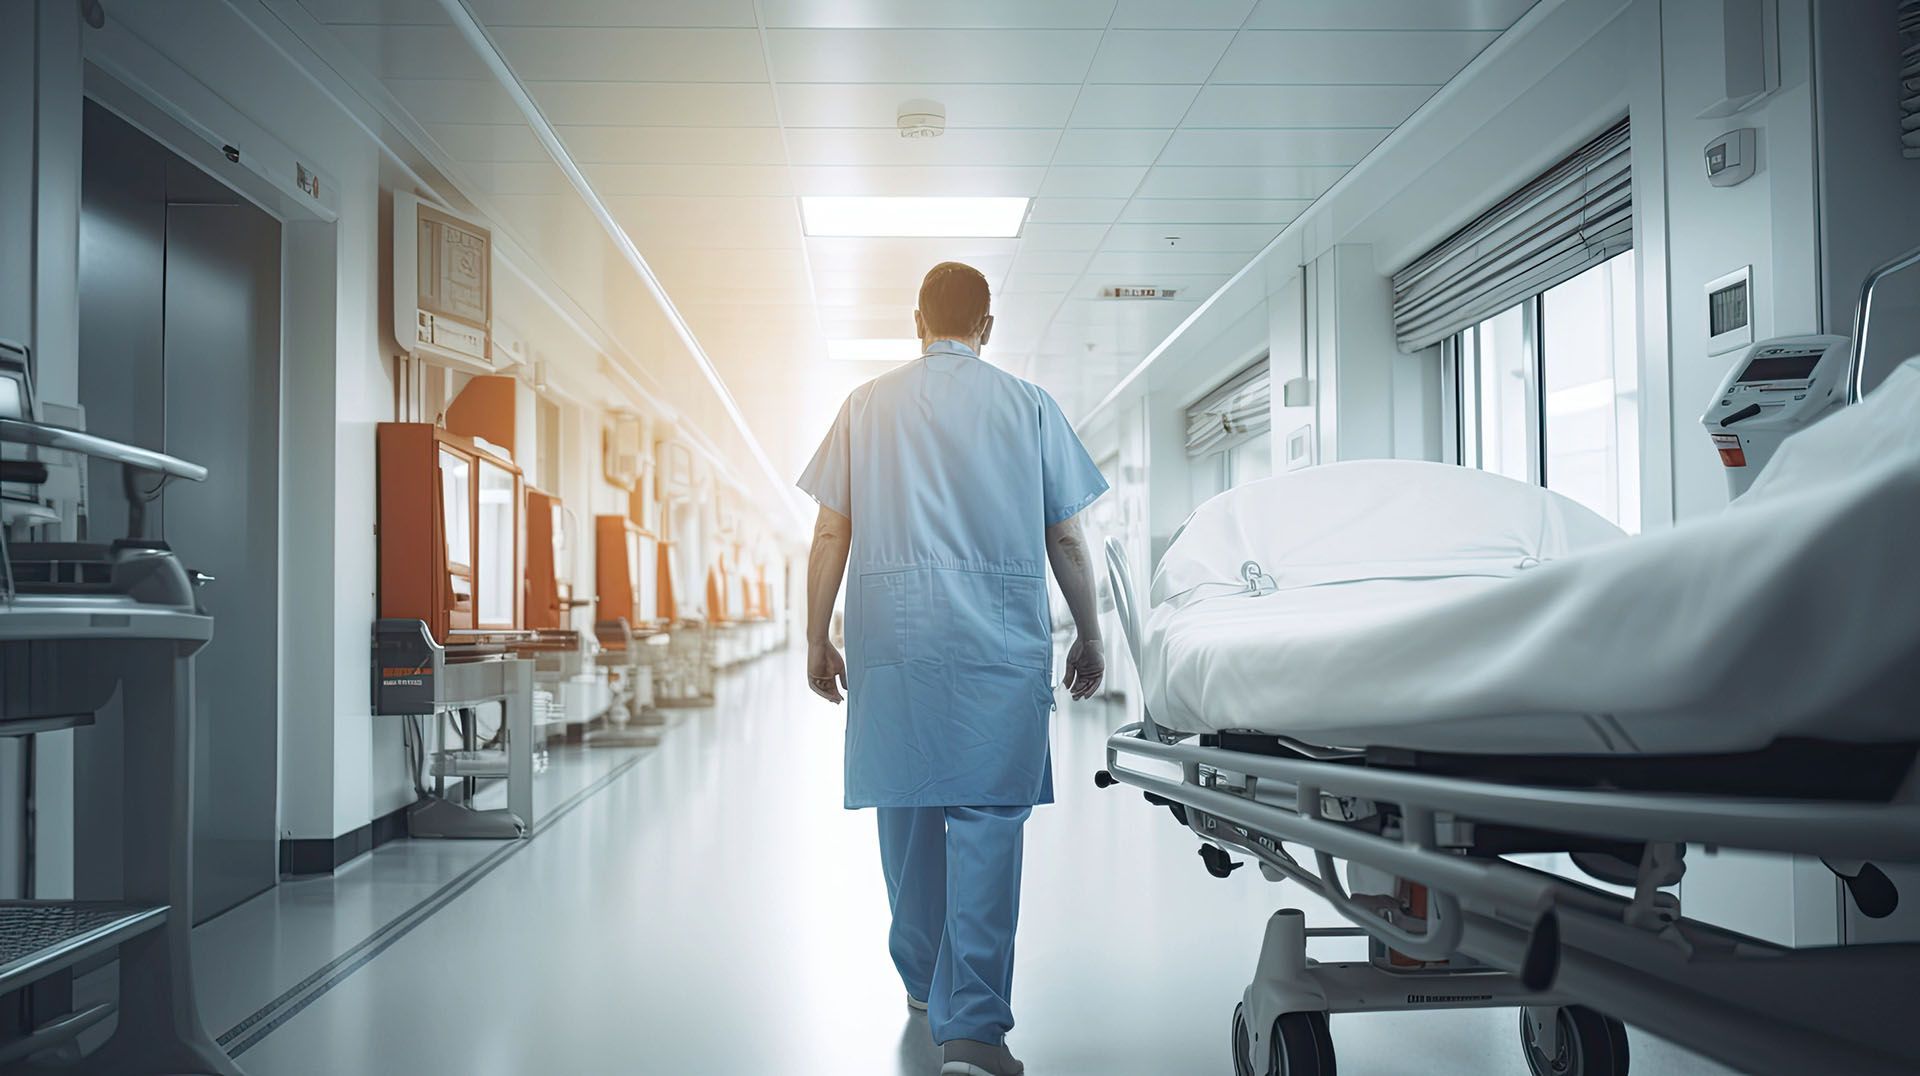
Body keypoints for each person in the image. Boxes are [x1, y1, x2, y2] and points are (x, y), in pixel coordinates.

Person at [798, 261, 1109, 1076]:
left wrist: (813, 637)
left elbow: (831, 534)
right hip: (997, 650)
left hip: (895, 650)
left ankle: (922, 985)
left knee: (906, 817)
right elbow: (1067, 538)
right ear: (988, 326)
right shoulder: (1029, 406)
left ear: (916, 321)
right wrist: (1090, 633)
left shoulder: (865, 406)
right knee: (988, 828)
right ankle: (971, 1029)